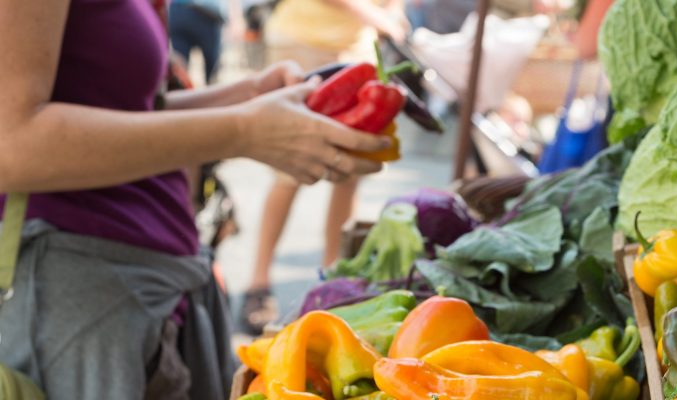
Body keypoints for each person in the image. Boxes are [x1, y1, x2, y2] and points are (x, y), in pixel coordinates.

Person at [0, 0, 391, 399]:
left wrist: (248, 96)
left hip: (147, 288)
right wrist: (242, 130)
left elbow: (126, 110)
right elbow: (10, 144)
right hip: (77, 305)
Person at [241, 0, 409, 334]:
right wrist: (372, 14)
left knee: (350, 168)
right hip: (304, 40)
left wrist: (392, 10)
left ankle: (332, 280)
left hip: (356, 45)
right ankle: (257, 284)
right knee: (289, 169)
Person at [169, 0, 227, 83]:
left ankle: (182, 90)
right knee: (212, 69)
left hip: (178, 10)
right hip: (206, 13)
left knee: (180, 69)